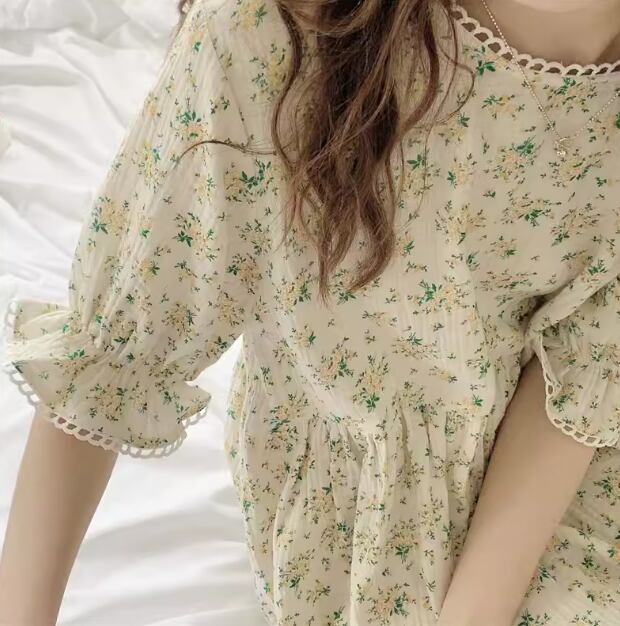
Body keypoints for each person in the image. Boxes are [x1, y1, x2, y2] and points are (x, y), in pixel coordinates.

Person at [1, 0, 620, 624]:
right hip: (381, 514)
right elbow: (117, 346)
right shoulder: (274, 29)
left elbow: (581, 376)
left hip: (564, 477)